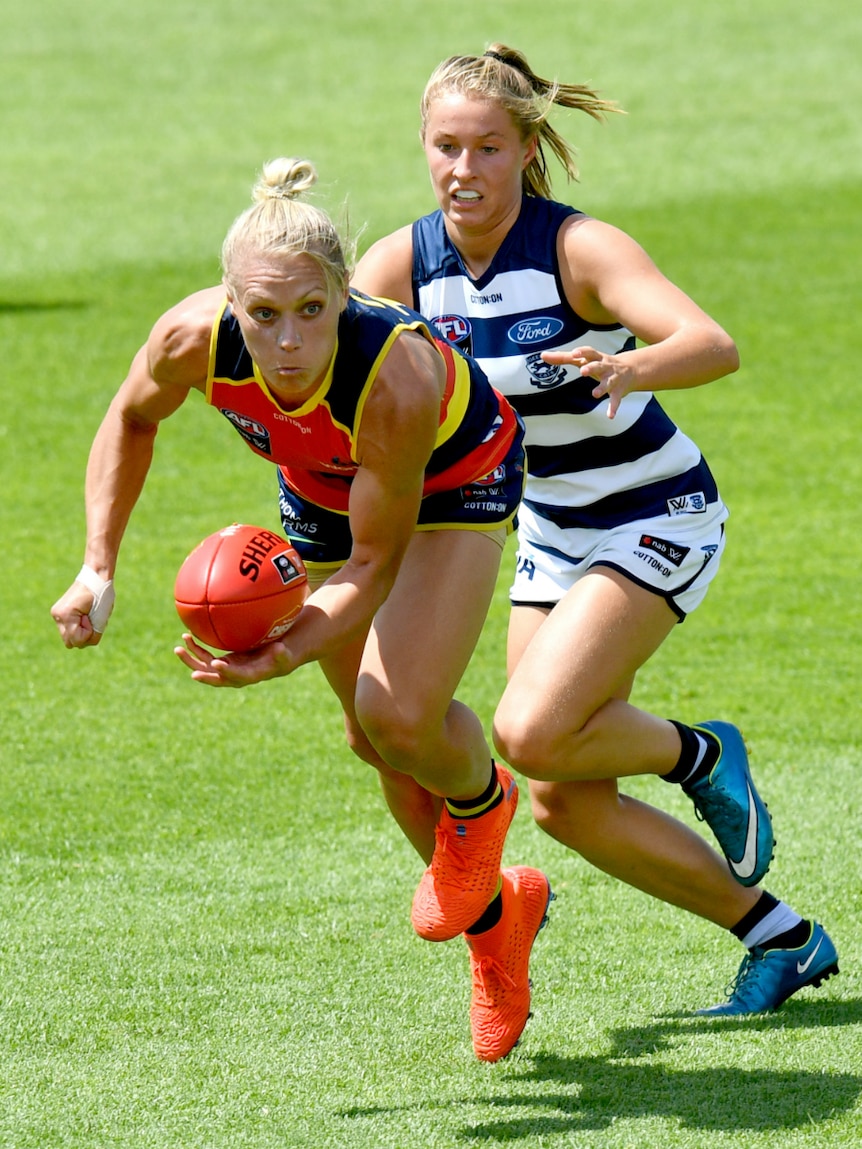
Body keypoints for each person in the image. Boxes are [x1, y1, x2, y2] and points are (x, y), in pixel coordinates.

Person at [351, 45, 839, 1016]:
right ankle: (780, 938)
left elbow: (710, 344)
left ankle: (701, 753)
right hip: (554, 526)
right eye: (445, 147)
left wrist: (630, 369)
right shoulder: (402, 266)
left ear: (525, 148)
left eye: (487, 148)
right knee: (563, 798)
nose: (463, 170)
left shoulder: (575, 250)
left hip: (656, 512)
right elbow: (353, 386)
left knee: (528, 731)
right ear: (423, 148)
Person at [50, 157, 554, 1061]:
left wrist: (278, 653)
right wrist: (97, 567)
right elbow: (132, 419)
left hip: (451, 475)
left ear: (343, 294)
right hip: (325, 489)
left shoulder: (390, 380)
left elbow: (372, 559)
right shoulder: (188, 340)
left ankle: (483, 800)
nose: (288, 340)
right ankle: (499, 931)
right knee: (377, 744)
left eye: (312, 311)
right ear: (230, 304)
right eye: (264, 314)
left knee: (397, 713)